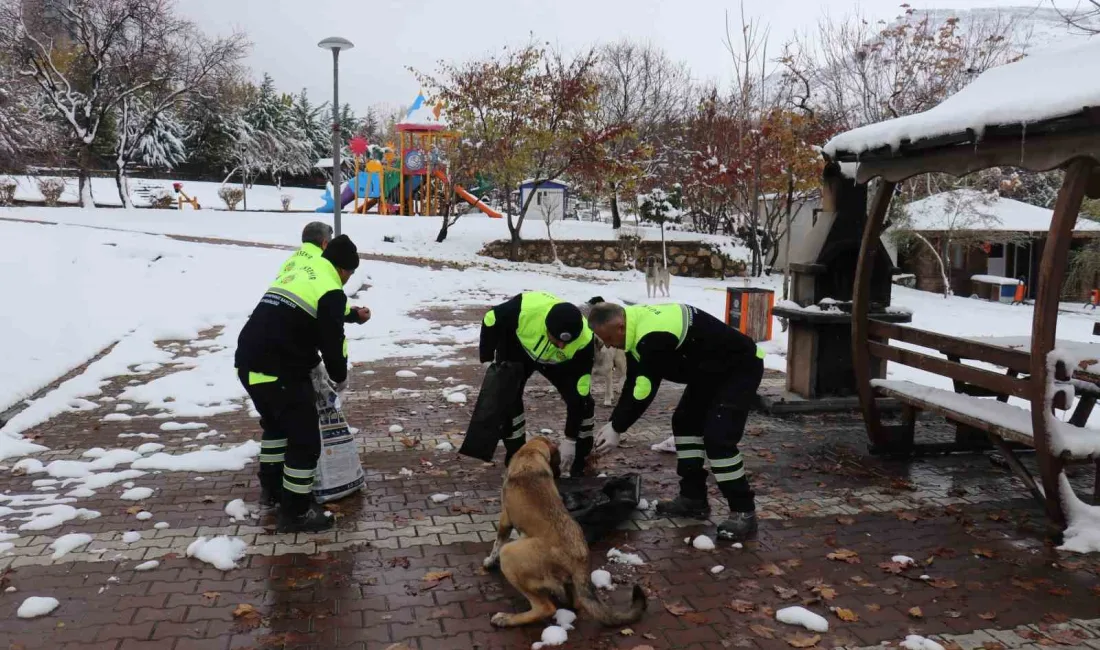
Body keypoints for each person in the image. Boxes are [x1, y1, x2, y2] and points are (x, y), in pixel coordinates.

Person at [587, 301, 765, 542]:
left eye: (607, 338)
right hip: (710, 370)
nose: (607, 345)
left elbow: (644, 387)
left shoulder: (652, 335)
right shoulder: (636, 326)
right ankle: (693, 499)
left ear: (620, 326)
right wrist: (614, 422)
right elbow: (635, 378)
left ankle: (744, 511)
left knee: (719, 439)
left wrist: (618, 427)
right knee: (685, 422)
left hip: (739, 367)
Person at [235, 234, 367, 533]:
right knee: (305, 442)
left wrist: (353, 315)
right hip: (280, 370)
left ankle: (272, 492)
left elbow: (315, 311)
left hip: (249, 363)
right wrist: (339, 377)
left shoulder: (306, 271)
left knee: (277, 428)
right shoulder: (332, 288)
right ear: (345, 270)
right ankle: (295, 512)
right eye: (350, 274)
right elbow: (333, 342)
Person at [479, 291, 596, 476]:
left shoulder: (585, 342)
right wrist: (486, 358)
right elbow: (490, 319)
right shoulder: (522, 309)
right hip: (518, 349)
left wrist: (570, 439)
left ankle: (579, 459)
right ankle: (515, 457)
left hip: (559, 363)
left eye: (566, 342)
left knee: (584, 402)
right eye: (557, 340)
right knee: (508, 398)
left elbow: (579, 394)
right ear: (546, 328)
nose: (562, 346)